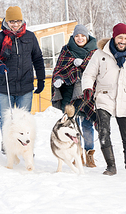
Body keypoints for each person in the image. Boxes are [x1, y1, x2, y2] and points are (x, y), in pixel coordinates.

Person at [82, 23, 126, 175]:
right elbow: (89, 74)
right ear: (114, 37)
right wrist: (87, 88)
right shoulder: (100, 54)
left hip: (125, 99)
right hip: (104, 97)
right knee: (103, 132)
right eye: (120, 37)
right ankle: (111, 166)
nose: (123, 41)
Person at [0, 6, 46, 153]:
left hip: (25, 85)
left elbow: (38, 58)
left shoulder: (30, 37)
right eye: (12, 21)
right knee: (6, 119)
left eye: (18, 21)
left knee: (24, 119)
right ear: (7, 21)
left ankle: (25, 146)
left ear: (22, 20)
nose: (15, 24)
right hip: (5, 85)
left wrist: (41, 79)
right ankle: (7, 144)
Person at [51, 24, 98, 167]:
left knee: (87, 124)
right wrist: (58, 79)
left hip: (88, 92)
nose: (80, 38)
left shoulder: (95, 52)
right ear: (73, 37)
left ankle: (89, 154)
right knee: (71, 125)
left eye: (83, 36)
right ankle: (77, 155)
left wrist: (83, 64)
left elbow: (98, 71)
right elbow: (59, 68)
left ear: (87, 37)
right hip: (69, 92)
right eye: (77, 36)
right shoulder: (66, 50)